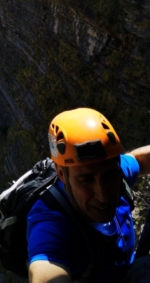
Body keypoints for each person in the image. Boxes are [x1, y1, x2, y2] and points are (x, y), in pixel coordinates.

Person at [27, 108, 150, 283]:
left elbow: (139, 160)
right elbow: (46, 267)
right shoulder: (51, 224)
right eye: (86, 180)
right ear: (61, 174)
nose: (103, 195)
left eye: (108, 175)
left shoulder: (116, 172)